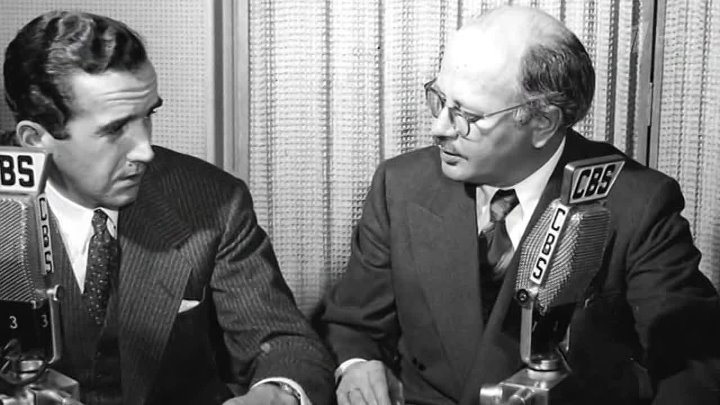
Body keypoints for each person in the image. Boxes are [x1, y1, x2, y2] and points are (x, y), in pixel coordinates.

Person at [320, 5, 720, 405]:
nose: (438, 128)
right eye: (438, 99)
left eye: (467, 115)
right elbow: (354, 324)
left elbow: (692, 364)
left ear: (542, 122)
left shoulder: (638, 203)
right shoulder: (400, 184)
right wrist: (357, 364)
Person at [2, 10, 335, 405]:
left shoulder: (213, 200)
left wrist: (278, 394)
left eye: (148, 115)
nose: (144, 150)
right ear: (35, 141)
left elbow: (285, 344)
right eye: (115, 129)